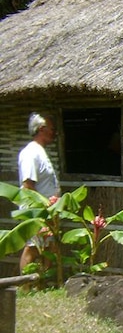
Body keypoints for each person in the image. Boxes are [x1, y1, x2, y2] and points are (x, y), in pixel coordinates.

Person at [18, 112, 60, 273]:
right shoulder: (30, 153)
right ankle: (26, 286)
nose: (54, 132)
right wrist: (41, 210)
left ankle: (43, 282)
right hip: (36, 211)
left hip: (47, 211)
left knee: (49, 247)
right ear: (42, 129)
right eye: (52, 129)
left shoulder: (40, 151)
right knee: (33, 248)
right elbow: (28, 185)